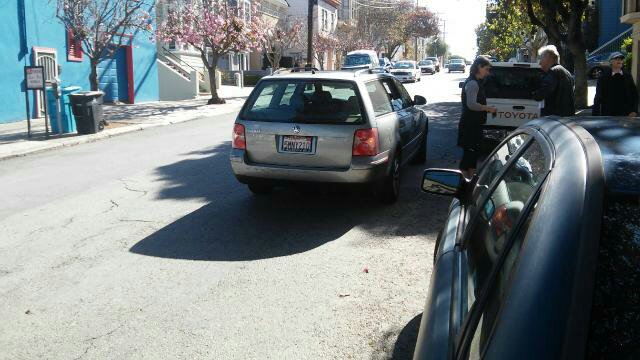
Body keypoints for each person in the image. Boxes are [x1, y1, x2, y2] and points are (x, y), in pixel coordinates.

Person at [459, 56, 497, 179]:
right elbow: (471, 104)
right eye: (486, 69)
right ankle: (463, 184)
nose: (487, 72)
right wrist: (488, 108)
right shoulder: (472, 83)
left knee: (473, 155)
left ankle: (470, 182)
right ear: (479, 67)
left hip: (474, 124)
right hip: (469, 125)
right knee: (469, 155)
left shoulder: (476, 82)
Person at [532, 45, 575, 116]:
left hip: (554, 117)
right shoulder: (565, 71)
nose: (540, 63)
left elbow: (543, 92)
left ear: (548, 58)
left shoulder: (553, 72)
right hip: (565, 116)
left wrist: (533, 93)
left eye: (541, 58)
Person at [592, 52, 638, 117]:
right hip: (608, 115)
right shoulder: (603, 78)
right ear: (611, 61)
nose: (619, 60)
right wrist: (595, 116)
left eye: (621, 59)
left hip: (627, 115)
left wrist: (634, 110)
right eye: (617, 58)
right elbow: (598, 97)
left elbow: (634, 94)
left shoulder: (628, 76)